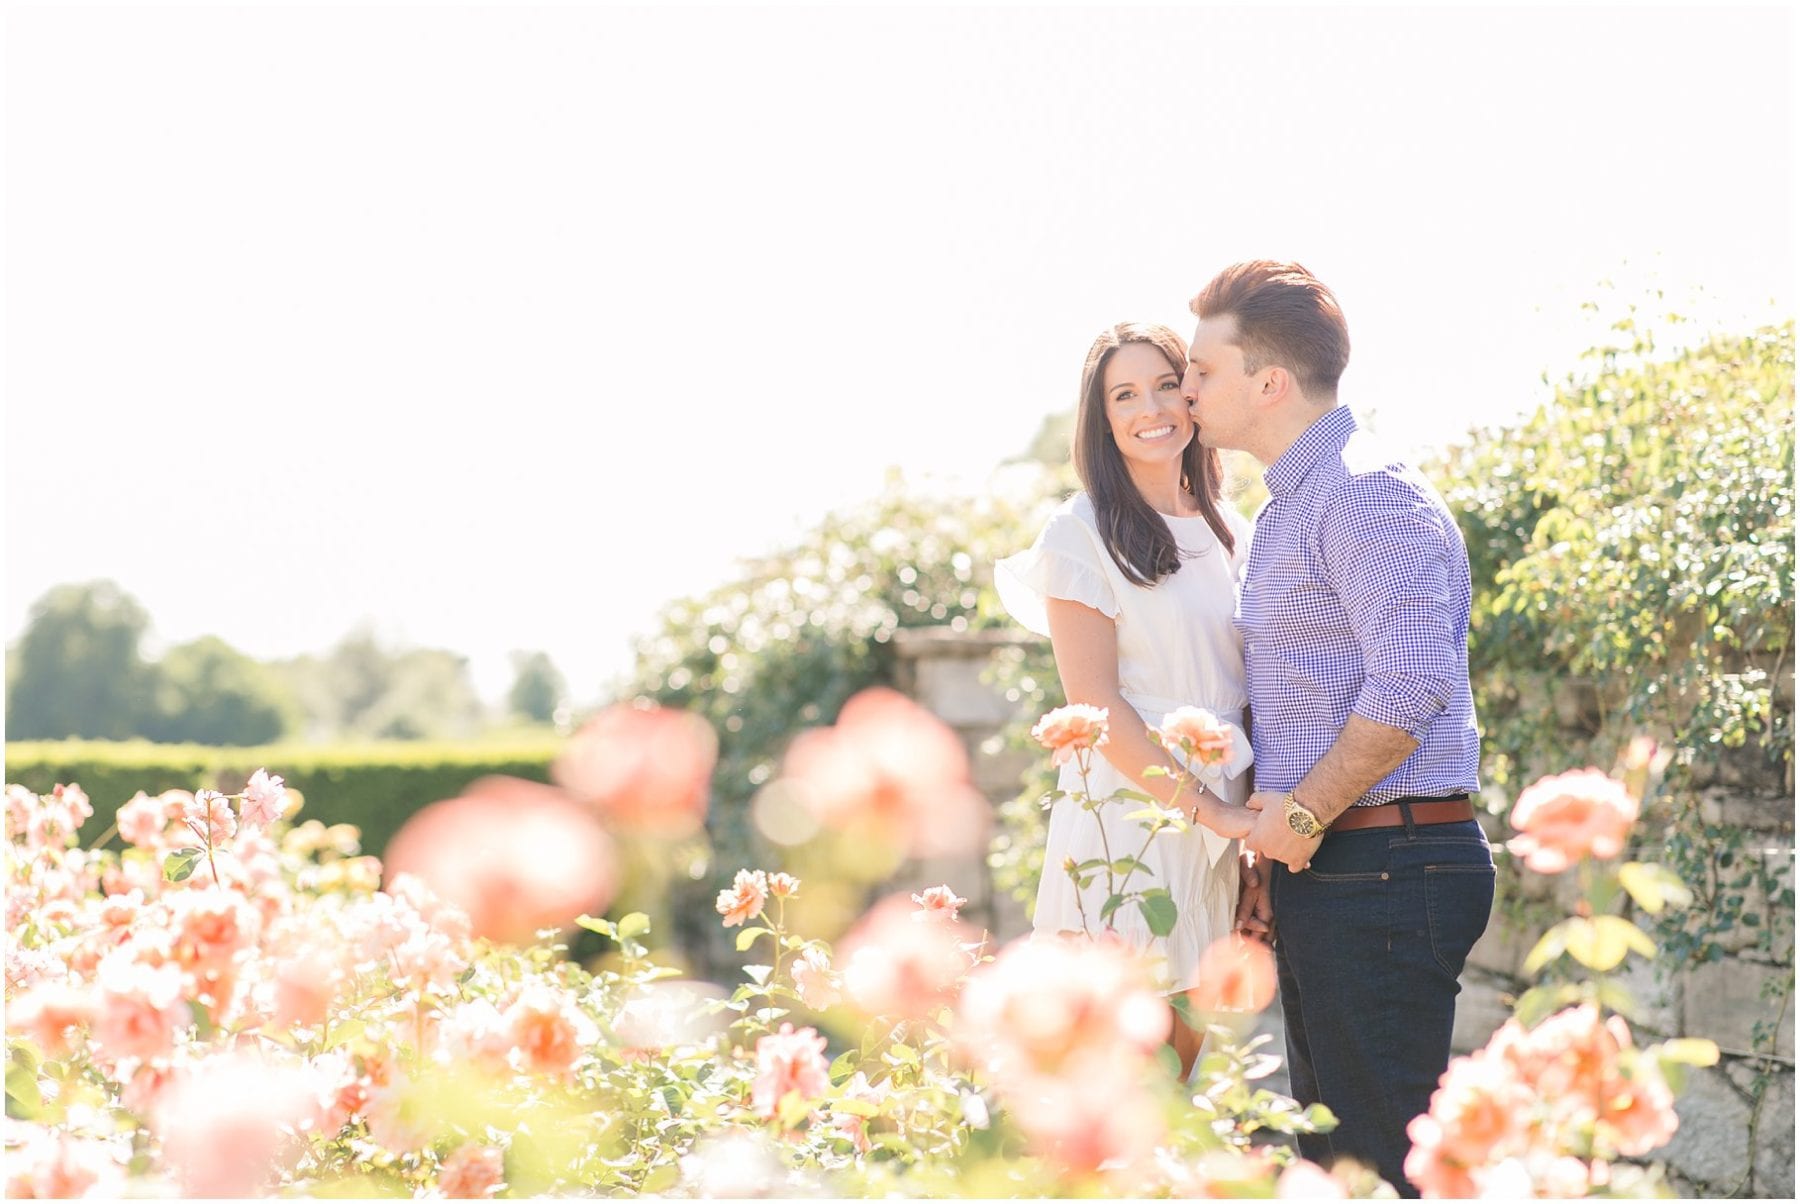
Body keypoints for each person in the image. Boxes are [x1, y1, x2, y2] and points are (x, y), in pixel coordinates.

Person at [1181, 260, 1492, 1196]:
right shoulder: (1290, 504)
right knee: (1337, 1168)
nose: (1185, 388)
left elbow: (1412, 684)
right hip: (1343, 871)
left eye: (1202, 369)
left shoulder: (1364, 494)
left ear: (1267, 383)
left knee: (1382, 1172)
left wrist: (1303, 817)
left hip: (1385, 871)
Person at [995, 321, 1258, 1079]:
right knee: (1113, 1086)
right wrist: (1215, 814)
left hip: (1214, 841)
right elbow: (1098, 708)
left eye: (1167, 383)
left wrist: (1240, 840)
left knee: (1175, 1081)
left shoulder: (1233, 532)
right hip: (1129, 828)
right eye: (1125, 393)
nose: (1152, 407)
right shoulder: (1079, 534)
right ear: (1102, 418)